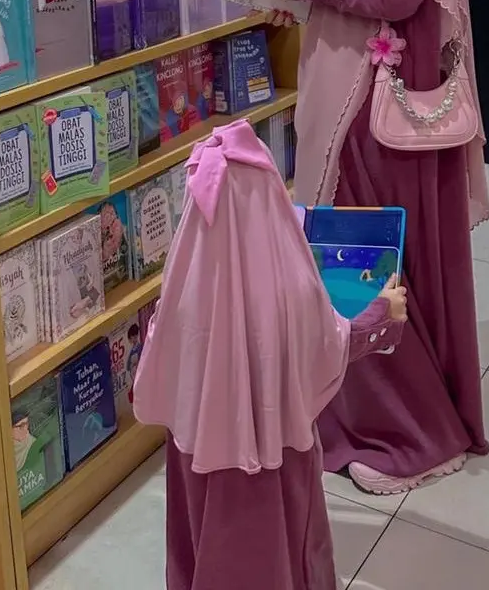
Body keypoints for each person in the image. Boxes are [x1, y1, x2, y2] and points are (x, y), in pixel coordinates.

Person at [265, 0, 489, 495]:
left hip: (375, 103)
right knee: (362, 257)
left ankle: (414, 432)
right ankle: (370, 409)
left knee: (366, 259)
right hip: (359, 92)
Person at [132, 119, 407, 590]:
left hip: (197, 459)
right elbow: (328, 343)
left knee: (201, 544)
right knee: (280, 550)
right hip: (275, 460)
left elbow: (157, 370)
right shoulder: (292, 291)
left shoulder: (181, 290)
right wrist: (382, 310)